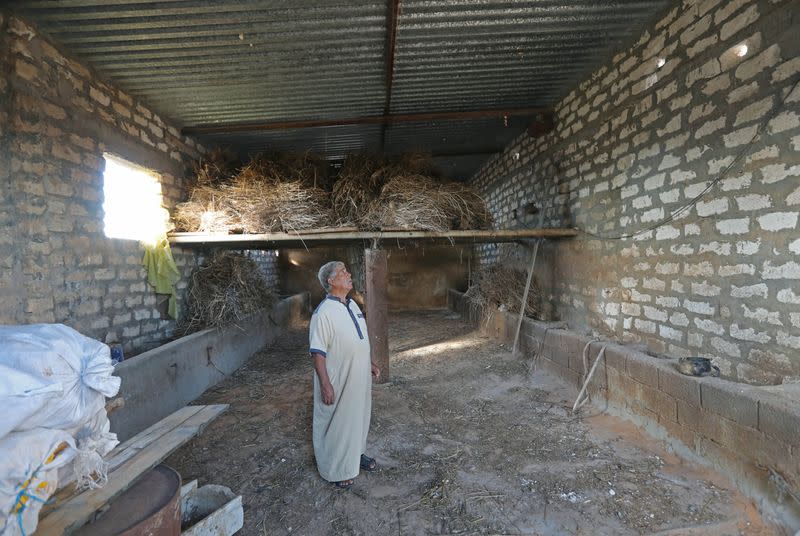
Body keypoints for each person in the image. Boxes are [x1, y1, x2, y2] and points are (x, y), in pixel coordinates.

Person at [309, 261, 381, 489]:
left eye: (347, 271)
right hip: (339, 379)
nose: (348, 274)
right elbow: (317, 353)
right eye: (342, 272)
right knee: (338, 423)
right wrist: (325, 384)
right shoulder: (323, 313)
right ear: (331, 281)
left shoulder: (352, 306)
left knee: (358, 417)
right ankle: (336, 469)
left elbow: (357, 340)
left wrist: (368, 362)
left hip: (358, 377)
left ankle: (355, 455)